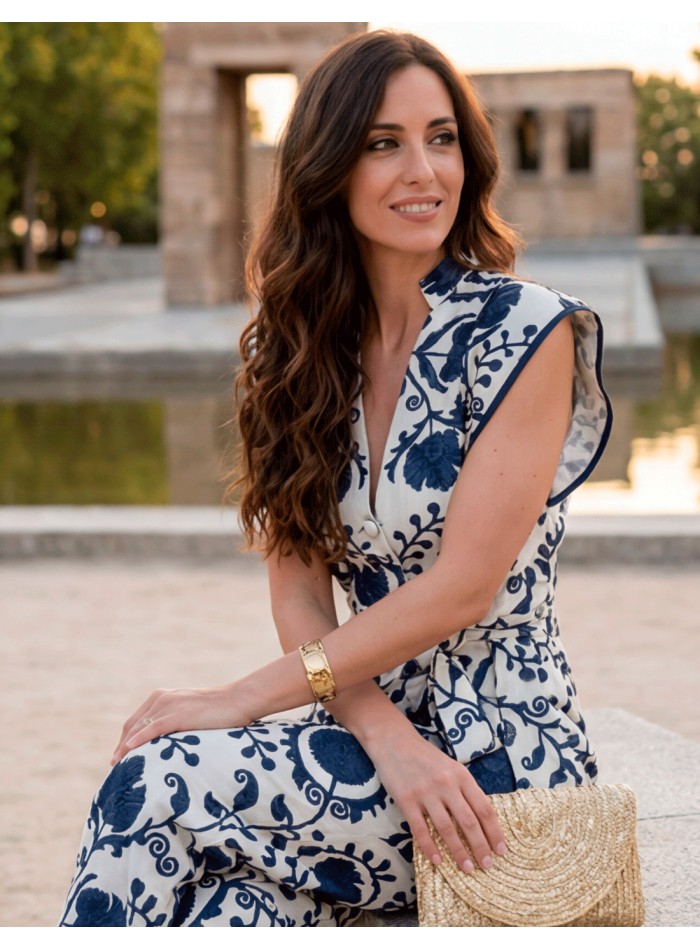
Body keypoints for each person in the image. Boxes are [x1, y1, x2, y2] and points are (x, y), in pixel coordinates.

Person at [59, 30, 612, 927]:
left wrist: (241, 699)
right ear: (328, 169)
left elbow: (462, 589)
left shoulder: (526, 330)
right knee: (229, 912)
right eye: (382, 144)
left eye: (441, 138)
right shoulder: (289, 356)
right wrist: (383, 732)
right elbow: (301, 596)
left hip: (499, 757)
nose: (422, 171)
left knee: (157, 780)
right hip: (362, 736)